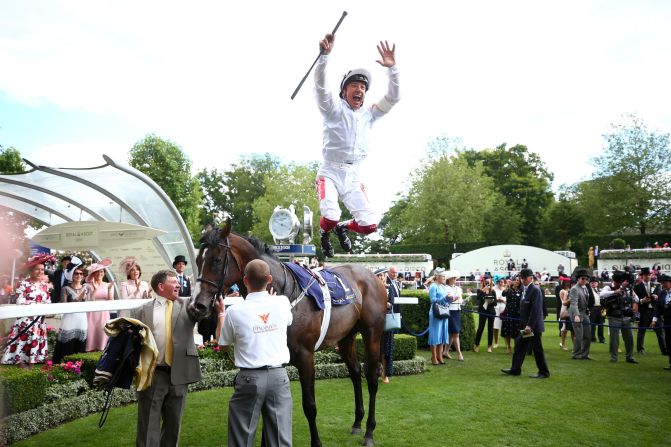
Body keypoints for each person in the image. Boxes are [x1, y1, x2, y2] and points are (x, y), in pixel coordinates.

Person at [314, 31, 400, 257]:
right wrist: (324, 57)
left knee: (370, 225)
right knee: (330, 215)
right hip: (330, 171)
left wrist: (392, 69)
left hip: (353, 175)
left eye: (363, 87)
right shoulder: (333, 109)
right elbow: (321, 88)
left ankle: (343, 227)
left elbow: (393, 97)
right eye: (354, 85)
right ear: (344, 91)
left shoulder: (369, 114)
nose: (359, 89)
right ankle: (325, 233)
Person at [215, 259, 293, 447]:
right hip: (279, 377)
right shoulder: (282, 302)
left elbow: (223, 345)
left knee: (241, 437)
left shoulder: (235, 311)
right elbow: (288, 320)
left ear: (245, 280)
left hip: (250, 379)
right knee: (280, 440)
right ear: (269, 279)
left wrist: (221, 314)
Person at [130, 269, 202, 447]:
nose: (178, 284)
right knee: (148, 426)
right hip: (153, 375)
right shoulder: (140, 311)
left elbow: (206, 310)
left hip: (180, 374)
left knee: (173, 425)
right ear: (161, 286)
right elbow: (132, 345)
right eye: (173, 281)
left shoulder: (189, 305)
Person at [1, 254, 54, 364]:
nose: (40, 272)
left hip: (39, 320)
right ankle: (18, 361)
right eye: (37, 269)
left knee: (35, 339)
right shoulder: (23, 284)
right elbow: (20, 301)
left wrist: (41, 306)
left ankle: (33, 361)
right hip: (25, 320)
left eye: (42, 270)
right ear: (31, 271)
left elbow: (48, 302)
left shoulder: (45, 285)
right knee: (24, 340)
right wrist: (39, 305)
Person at [501, 268, 550, 379]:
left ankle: (544, 372)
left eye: (524, 277)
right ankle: (515, 369)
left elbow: (536, 309)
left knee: (537, 349)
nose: (522, 279)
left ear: (531, 278)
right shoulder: (525, 289)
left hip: (533, 326)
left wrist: (529, 326)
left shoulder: (535, 290)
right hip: (526, 326)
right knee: (519, 346)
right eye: (521, 277)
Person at [52, 265, 89, 363]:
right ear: (72, 275)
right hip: (69, 318)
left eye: (81, 273)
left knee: (80, 341)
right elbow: (64, 305)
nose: (79, 275)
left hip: (82, 317)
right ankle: (62, 363)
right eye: (76, 273)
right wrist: (78, 298)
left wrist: (85, 298)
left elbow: (90, 303)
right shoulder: (65, 288)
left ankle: (78, 365)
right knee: (66, 341)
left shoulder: (86, 288)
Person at [601, 271, 638, 364]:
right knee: (614, 338)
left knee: (629, 338)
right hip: (614, 316)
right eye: (618, 281)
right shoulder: (608, 287)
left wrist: (631, 293)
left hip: (626, 316)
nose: (619, 283)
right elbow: (601, 294)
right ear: (614, 280)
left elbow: (636, 299)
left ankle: (630, 357)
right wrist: (615, 291)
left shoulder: (628, 288)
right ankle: (614, 357)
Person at [634, 267, 667, 355]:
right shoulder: (637, 287)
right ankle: (640, 349)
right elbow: (635, 300)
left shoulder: (656, 285)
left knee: (660, 332)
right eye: (646, 275)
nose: (648, 276)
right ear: (642, 276)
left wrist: (657, 297)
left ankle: (664, 350)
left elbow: (661, 297)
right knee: (641, 331)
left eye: (649, 275)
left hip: (655, 312)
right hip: (644, 311)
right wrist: (642, 301)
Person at [84, 258, 114, 352]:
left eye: (101, 271)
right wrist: (95, 289)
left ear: (104, 273)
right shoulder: (87, 285)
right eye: (97, 272)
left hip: (104, 313)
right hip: (91, 314)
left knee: (103, 335)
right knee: (91, 334)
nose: (99, 273)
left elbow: (111, 301)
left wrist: (109, 289)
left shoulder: (108, 285)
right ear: (93, 274)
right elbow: (88, 300)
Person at [383, 266, 402, 383]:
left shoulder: (394, 284)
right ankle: (382, 373)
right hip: (383, 318)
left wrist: (399, 313)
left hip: (392, 317)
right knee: (383, 347)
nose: (395, 274)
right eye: (393, 272)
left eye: (396, 272)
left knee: (388, 346)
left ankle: (385, 373)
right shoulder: (386, 284)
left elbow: (397, 300)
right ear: (388, 273)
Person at [569, 268, 592, 360]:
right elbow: (573, 303)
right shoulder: (574, 289)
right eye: (583, 278)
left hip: (584, 313)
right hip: (576, 313)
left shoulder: (585, 287)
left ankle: (585, 354)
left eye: (586, 279)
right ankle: (576, 354)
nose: (585, 280)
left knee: (588, 334)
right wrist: (576, 315)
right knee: (579, 335)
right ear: (578, 279)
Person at [428, 270, 450, 365]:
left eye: (445, 277)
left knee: (442, 335)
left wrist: (450, 299)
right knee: (435, 335)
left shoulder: (443, 287)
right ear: (437, 277)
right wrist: (444, 298)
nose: (444, 279)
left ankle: (439, 356)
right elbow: (433, 300)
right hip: (436, 312)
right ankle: (433, 357)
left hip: (444, 311)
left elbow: (445, 301)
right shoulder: (433, 286)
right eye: (443, 277)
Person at [650, 273, 671, 370]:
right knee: (669, 343)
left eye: (664, 283)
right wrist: (654, 320)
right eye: (661, 283)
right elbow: (658, 309)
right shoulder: (662, 293)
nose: (662, 285)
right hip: (667, 322)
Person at [443, 271, 464, 361]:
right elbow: (447, 299)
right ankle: (459, 353)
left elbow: (461, 299)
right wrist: (453, 298)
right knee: (455, 332)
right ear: (449, 279)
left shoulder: (458, 288)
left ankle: (445, 351)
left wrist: (461, 301)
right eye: (453, 278)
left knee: (452, 333)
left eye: (455, 278)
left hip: (457, 310)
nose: (455, 279)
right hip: (450, 311)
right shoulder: (445, 288)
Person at [473, 276, 496, 353]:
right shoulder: (480, 290)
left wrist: (489, 301)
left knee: (490, 329)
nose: (487, 283)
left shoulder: (493, 291)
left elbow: (495, 303)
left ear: (491, 282)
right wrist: (483, 290)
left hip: (491, 312)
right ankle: (476, 345)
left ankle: (489, 346)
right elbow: (478, 298)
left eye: (488, 282)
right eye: (486, 282)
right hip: (483, 311)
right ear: (483, 282)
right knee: (480, 328)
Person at [502, 276, 523, 354]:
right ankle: (508, 346)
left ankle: (516, 346)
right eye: (516, 280)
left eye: (518, 280)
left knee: (516, 330)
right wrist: (507, 285)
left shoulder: (521, 290)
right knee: (507, 330)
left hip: (517, 313)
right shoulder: (509, 290)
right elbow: (503, 294)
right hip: (508, 312)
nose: (517, 281)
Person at [588, 277, 606, 344]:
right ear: (590, 284)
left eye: (595, 283)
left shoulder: (600, 291)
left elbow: (604, 302)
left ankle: (601, 338)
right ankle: (592, 338)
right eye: (592, 283)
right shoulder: (588, 291)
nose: (593, 284)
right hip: (593, 308)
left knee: (601, 324)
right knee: (592, 324)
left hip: (601, 308)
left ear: (597, 284)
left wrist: (604, 313)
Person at [558, 279, 573, 351]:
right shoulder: (563, 291)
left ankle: (565, 344)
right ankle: (563, 344)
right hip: (565, 309)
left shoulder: (569, 290)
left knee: (570, 328)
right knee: (564, 328)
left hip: (569, 309)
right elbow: (564, 301)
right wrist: (569, 295)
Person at [492, 276, 507, 349]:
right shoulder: (494, 289)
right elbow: (493, 299)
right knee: (495, 326)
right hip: (496, 309)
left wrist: (504, 301)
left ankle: (506, 344)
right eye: (499, 282)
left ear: (504, 283)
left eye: (502, 282)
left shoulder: (506, 289)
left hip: (504, 309)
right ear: (497, 282)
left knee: (505, 326)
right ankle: (496, 343)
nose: (501, 283)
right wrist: (499, 300)